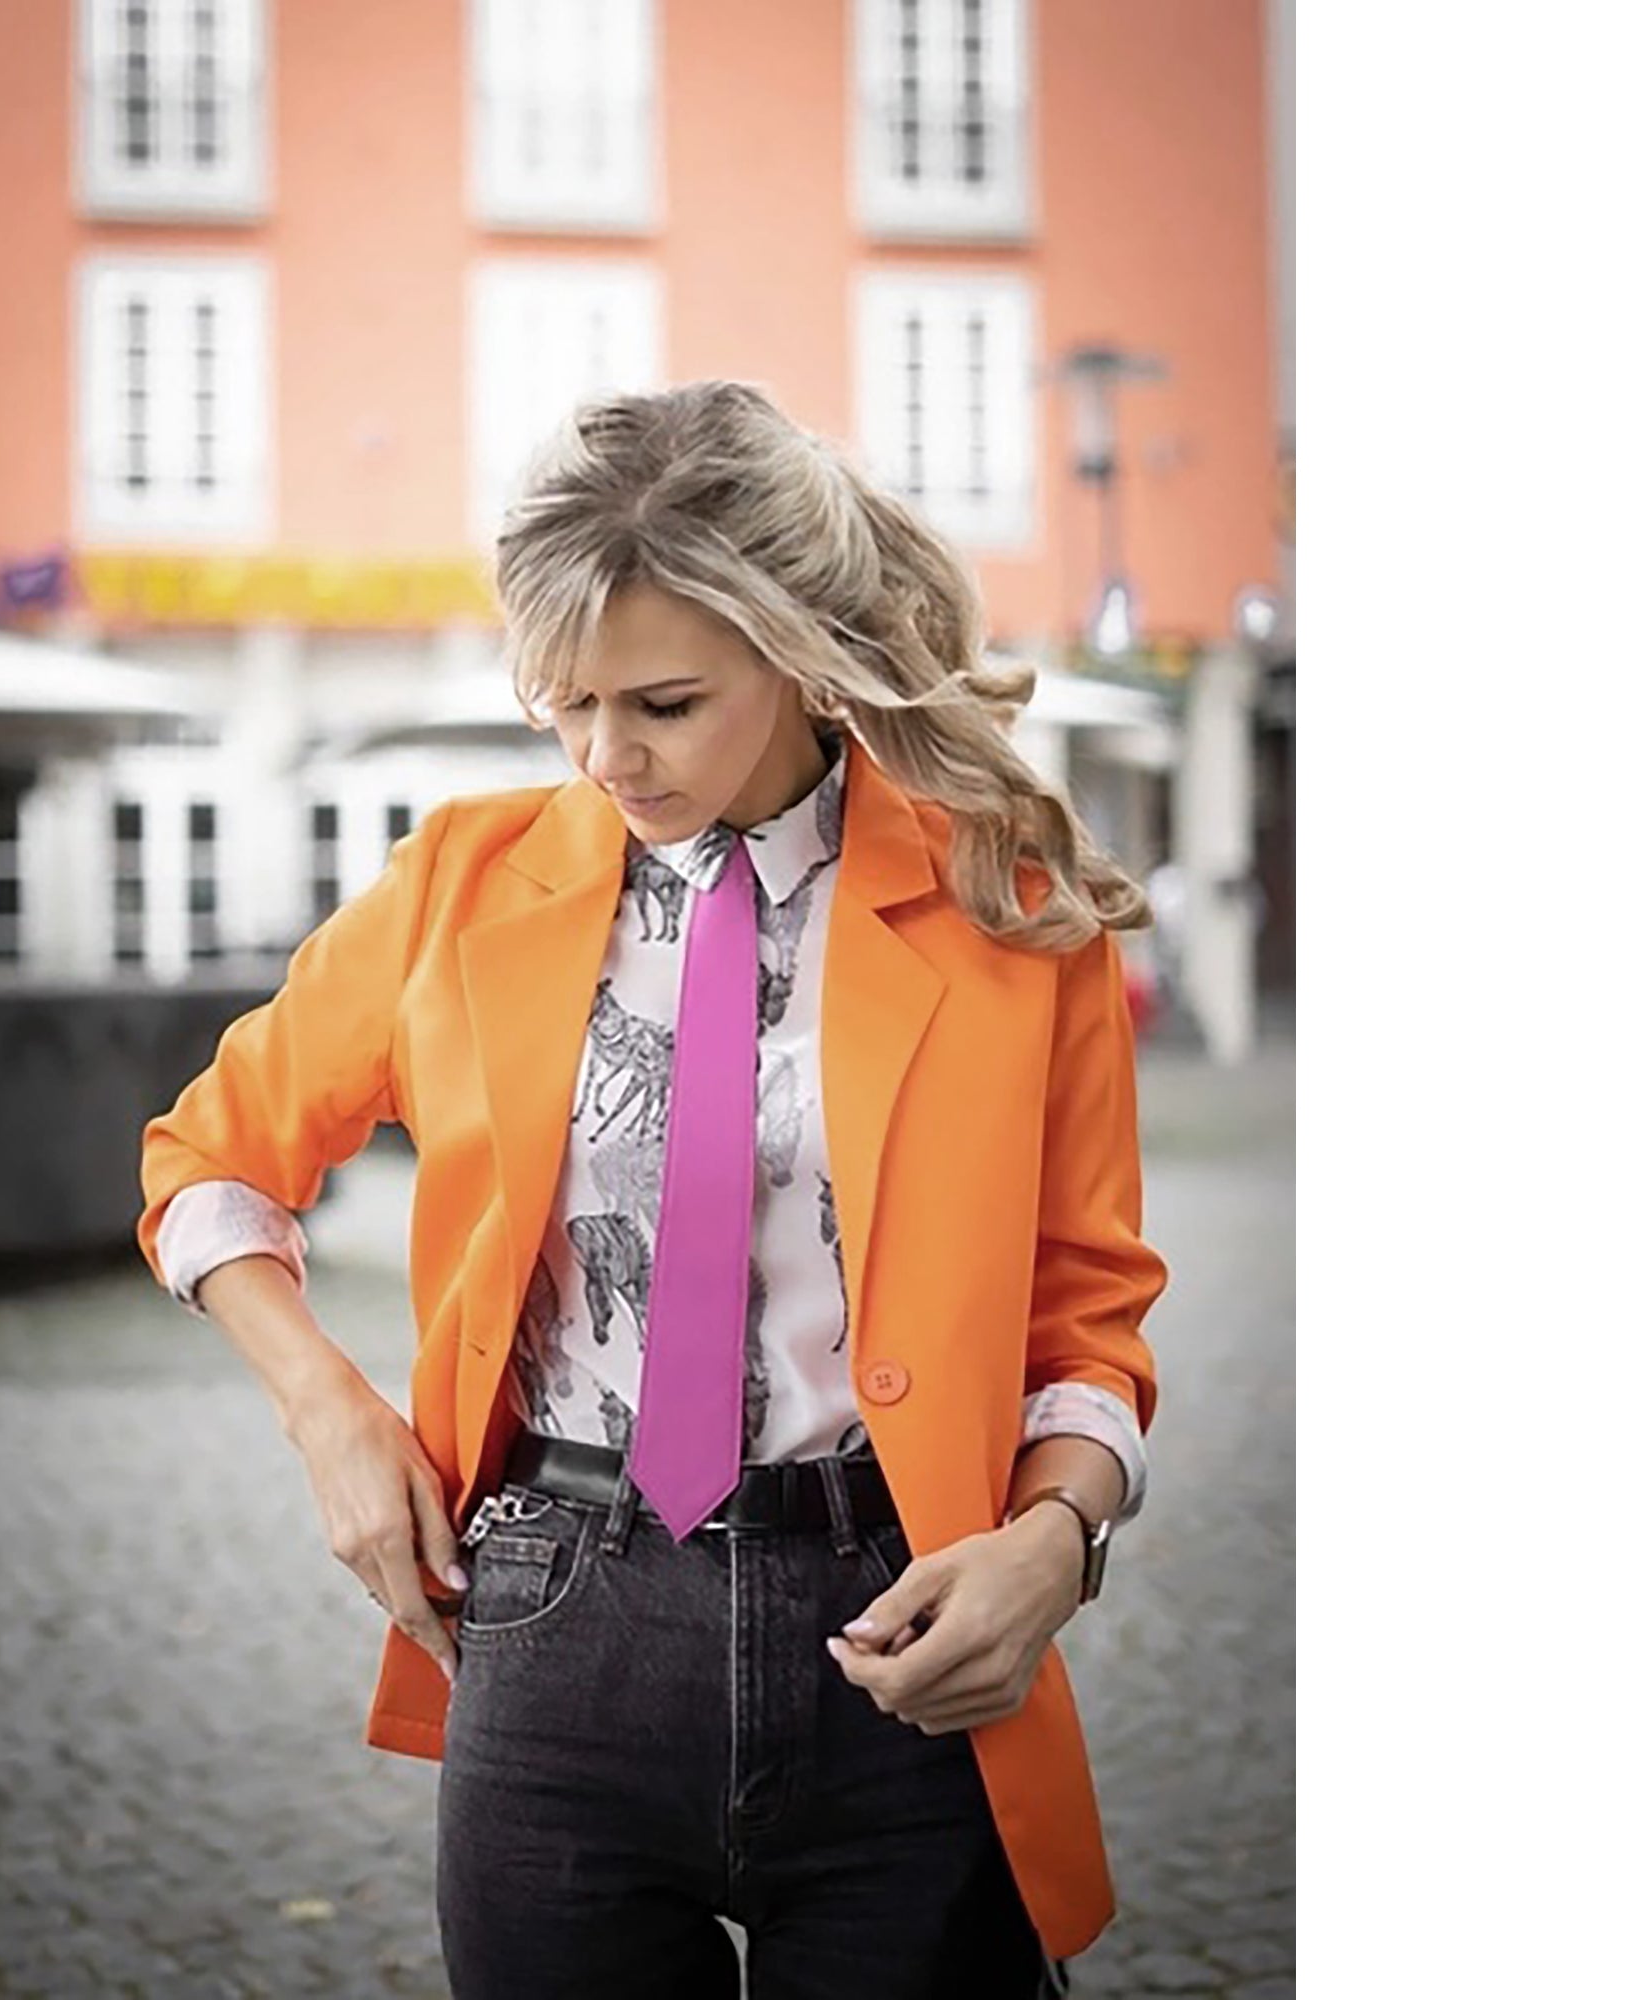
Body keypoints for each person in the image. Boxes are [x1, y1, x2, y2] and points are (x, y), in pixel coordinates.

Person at [138, 380, 1166, 1998]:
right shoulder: (458, 889)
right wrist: (328, 1414)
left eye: (667, 704)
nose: (606, 756)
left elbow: (1090, 1316)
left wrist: (1058, 1539)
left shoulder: (1007, 901)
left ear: (800, 649)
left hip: (906, 1632)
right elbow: (208, 1166)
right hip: (554, 1626)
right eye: (564, 702)